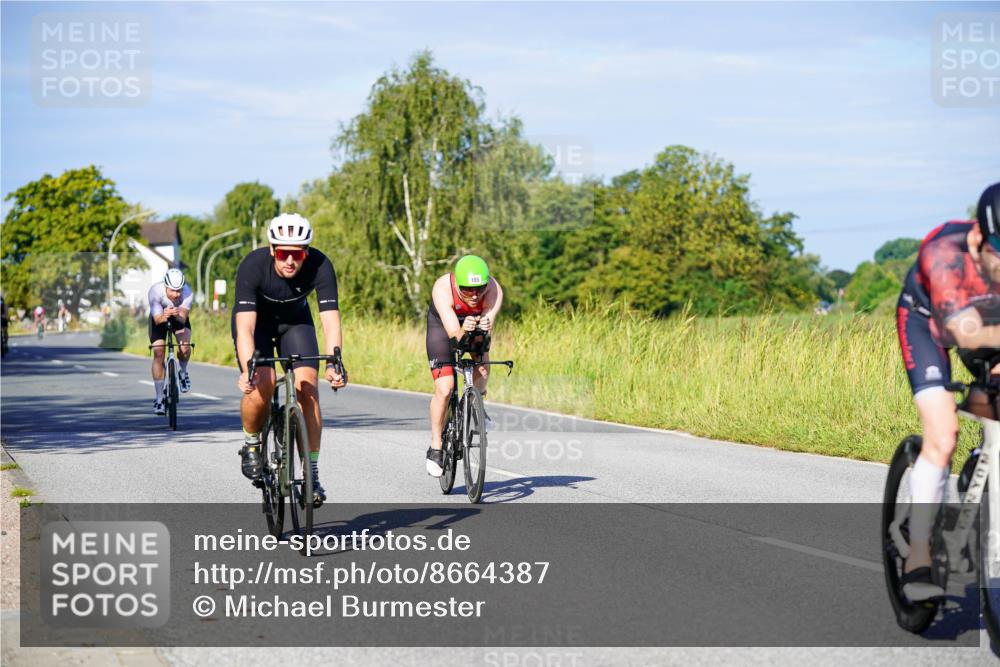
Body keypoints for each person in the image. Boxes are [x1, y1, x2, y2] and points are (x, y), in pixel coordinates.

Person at [895, 181, 1000, 601]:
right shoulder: (944, 253)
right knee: (943, 434)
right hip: (929, 324)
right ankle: (918, 555)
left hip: (990, 321)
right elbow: (967, 334)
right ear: (978, 237)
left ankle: (982, 466)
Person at [232, 213, 346, 507]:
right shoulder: (252, 266)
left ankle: (312, 473)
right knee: (262, 382)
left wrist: (334, 362)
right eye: (284, 253)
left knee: (308, 388)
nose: (291, 261)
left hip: (295, 323)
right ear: (272, 250)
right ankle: (251, 443)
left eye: (298, 254)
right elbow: (245, 328)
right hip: (258, 325)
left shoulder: (321, 265)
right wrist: (247, 369)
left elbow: (331, 321)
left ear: (306, 252)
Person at [425, 254, 504, 477]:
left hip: (473, 326)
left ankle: (476, 403)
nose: (475, 295)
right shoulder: (442, 288)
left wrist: (483, 325)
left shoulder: (494, 290)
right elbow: (455, 337)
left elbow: (483, 339)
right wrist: (464, 329)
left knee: (482, 365)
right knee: (445, 388)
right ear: (457, 284)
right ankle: (436, 446)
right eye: (468, 290)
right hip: (444, 328)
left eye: (479, 289)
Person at [148, 268, 194, 414]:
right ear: (165, 286)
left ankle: (183, 373)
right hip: (159, 318)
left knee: (185, 347)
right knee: (158, 352)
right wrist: (165, 315)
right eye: (172, 290)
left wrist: (175, 315)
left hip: (178, 318)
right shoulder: (155, 291)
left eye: (178, 290)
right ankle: (159, 398)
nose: (175, 294)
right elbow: (157, 319)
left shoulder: (187, 292)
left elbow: (183, 319)